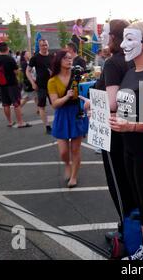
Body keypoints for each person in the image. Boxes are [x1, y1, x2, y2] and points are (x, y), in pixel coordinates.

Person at [109, 22, 143, 260]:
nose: (122, 45)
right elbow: (125, 108)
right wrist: (103, 113)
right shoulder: (131, 71)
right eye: (122, 39)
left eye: (129, 40)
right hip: (128, 148)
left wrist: (130, 125)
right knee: (140, 204)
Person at [93, 19, 137, 242]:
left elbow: (112, 103)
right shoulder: (134, 60)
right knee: (134, 185)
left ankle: (128, 233)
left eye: (106, 33)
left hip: (113, 132)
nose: (102, 36)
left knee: (119, 185)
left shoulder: (112, 63)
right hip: (133, 131)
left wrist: (92, 104)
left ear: (114, 37)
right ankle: (137, 232)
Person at [48, 51, 89, 188]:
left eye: (70, 58)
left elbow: (86, 92)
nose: (69, 60)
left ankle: (74, 176)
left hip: (77, 112)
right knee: (64, 152)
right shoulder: (52, 81)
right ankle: (67, 164)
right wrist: (66, 96)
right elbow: (54, 104)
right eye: (65, 58)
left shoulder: (78, 76)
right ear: (59, 60)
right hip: (62, 114)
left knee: (76, 150)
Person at [0, 42, 31, 128]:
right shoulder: (10, 59)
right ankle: (20, 122)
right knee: (16, 103)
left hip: (2, 84)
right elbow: (16, 71)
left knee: (5, 104)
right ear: (7, 48)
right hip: (11, 83)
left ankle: (10, 122)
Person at [27, 39, 53, 134]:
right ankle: (47, 126)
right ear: (39, 46)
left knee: (55, 105)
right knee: (42, 107)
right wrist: (33, 83)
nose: (44, 47)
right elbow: (27, 71)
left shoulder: (52, 56)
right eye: (42, 45)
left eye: (46, 45)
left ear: (48, 45)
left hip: (52, 85)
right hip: (41, 86)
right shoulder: (35, 57)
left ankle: (58, 124)